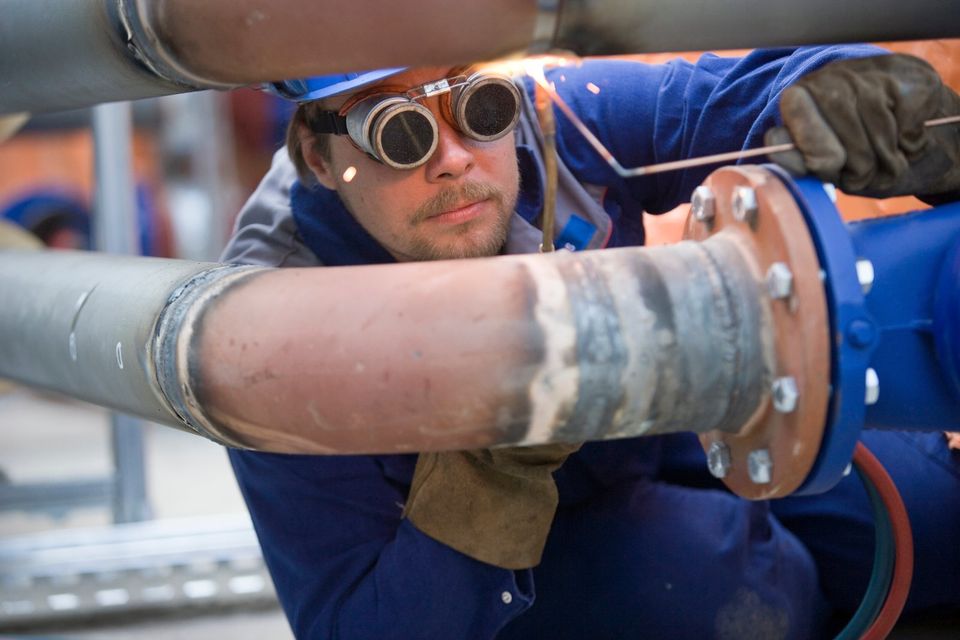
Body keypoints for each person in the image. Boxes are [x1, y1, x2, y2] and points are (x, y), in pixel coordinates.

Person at [221, 47, 960, 639]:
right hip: (509, 545)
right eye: (398, 130)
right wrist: (489, 462)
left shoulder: (552, 116)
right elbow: (355, 624)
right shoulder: (274, 328)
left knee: (933, 522)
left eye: (474, 104)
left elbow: (724, 97)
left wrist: (844, 93)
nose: (451, 157)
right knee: (739, 598)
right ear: (319, 159)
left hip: (637, 426)